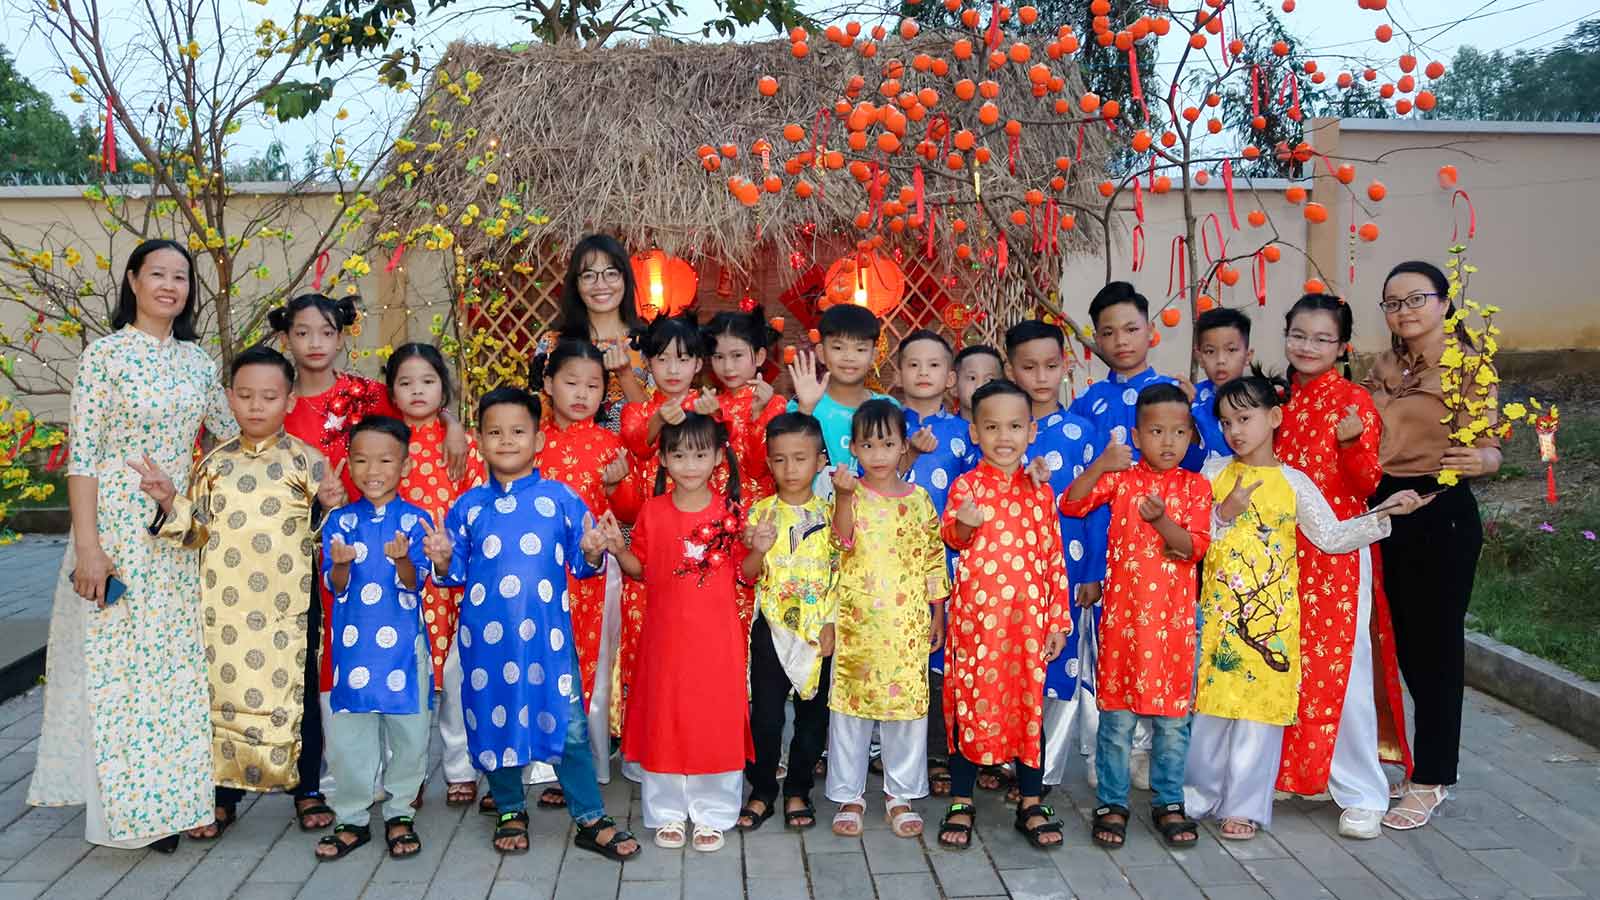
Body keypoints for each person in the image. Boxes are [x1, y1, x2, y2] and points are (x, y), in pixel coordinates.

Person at [31, 240, 238, 851]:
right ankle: (127, 813)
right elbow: (83, 458)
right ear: (133, 280)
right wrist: (89, 548)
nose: (170, 286)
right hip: (116, 530)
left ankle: (176, 802)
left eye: (181, 277)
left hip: (174, 528)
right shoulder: (105, 356)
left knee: (174, 670)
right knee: (120, 669)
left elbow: (232, 437)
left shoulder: (197, 362)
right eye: (158, 274)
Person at [1186, 373, 1429, 840]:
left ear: (1275, 418)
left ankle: (1244, 808)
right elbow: (1194, 538)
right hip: (1221, 616)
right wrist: (1222, 514)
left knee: (1261, 714)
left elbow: (1332, 536)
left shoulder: (1294, 483)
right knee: (1212, 706)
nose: (1235, 430)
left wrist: (1384, 513)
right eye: (1226, 422)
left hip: (1272, 620)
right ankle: (1196, 794)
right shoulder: (1213, 475)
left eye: (1245, 418)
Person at [271, 292, 466, 829]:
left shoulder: (366, 395)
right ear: (285, 337)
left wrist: (452, 421)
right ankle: (326, 781)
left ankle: (399, 780)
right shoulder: (276, 398)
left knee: (394, 659)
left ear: (342, 335)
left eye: (326, 331)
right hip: (303, 544)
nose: (315, 343)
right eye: (302, 332)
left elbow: (419, 401)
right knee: (319, 662)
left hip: (378, 546)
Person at [422, 387, 639, 860]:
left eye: (518, 431)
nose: (506, 440)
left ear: (538, 440)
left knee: (570, 729)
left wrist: (593, 550)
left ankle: (590, 816)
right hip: (486, 644)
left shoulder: (560, 500)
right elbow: (453, 574)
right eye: (495, 432)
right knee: (494, 719)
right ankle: (509, 808)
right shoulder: (468, 507)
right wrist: (440, 560)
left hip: (548, 642)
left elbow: (583, 565)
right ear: (479, 441)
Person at [132, 345, 339, 841]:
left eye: (268, 396)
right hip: (225, 610)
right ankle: (221, 796)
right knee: (221, 699)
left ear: (289, 400)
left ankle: (306, 788)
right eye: (245, 396)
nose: (256, 406)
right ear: (229, 399)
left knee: (298, 696)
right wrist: (169, 500)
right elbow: (195, 533)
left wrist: (327, 506)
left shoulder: (309, 462)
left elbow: (329, 536)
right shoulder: (213, 464)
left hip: (290, 609)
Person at [1366, 260, 1501, 831]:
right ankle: (1418, 765)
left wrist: (1482, 460)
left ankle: (1433, 778)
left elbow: (1490, 446)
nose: (1404, 311)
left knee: (1436, 650)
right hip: (1383, 508)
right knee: (1400, 644)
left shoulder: (1470, 365)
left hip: (1439, 508)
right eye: (1393, 303)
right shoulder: (1382, 366)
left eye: (1416, 298)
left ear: (1444, 302)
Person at [1274, 294, 1413, 840]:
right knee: (1287, 666)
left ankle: (1362, 792)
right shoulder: (1279, 401)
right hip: (1280, 556)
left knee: (1343, 673)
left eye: (1322, 338)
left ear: (1343, 347)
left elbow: (1367, 485)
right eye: (1298, 335)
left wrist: (1352, 442)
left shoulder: (1353, 403)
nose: (1307, 346)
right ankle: (1297, 774)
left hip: (1336, 555)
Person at [1059, 384, 1212, 850]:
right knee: (1117, 721)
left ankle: (1169, 801)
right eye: (1156, 431)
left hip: (1174, 627)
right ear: (1137, 435)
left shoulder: (1196, 486)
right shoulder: (1122, 479)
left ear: (1191, 436)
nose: (1168, 441)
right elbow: (1071, 503)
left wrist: (1161, 521)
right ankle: (1112, 801)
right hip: (1123, 625)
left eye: (1179, 432)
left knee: (1172, 722)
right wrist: (1101, 465)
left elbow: (1194, 547)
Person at [1070, 283, 1203, 791]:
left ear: (1150, 330)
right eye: (1108, 332)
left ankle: (1152, 758)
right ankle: (1107, 754)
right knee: (1111, 660)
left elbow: (1200, 462)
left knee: (1165, 661)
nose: (1121, 340)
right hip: (1112, 563)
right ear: (1095, 340)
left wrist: (1198, 410)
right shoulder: (1088, 404)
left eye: (1131, 328)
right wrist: (1087, 569)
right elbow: (1078, 496)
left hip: (1168, 571)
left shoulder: (1176, 396)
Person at [606, 414, 752, 853]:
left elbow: (747, 574)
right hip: (665, 637)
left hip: (718, 637)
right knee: (665, 717)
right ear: (664, 460)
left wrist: (760, 549)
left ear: (718, 458)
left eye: (700, 454)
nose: (690, 465)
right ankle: (667, 810)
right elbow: (642, 570)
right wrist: (619, 550)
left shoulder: (730, 513)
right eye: (680, 455)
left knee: (714, 716)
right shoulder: (652, 511)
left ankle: (714, 812)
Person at [937, 380, 1072, 851]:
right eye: (992, 427)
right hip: (976, 625)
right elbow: (952, 538)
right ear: (975, 432)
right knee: (970, 703)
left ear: (1031, 431)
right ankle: (961, 799)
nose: (1003, 437)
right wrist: (964, 524)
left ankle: (1031, 801)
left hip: (1028, 625)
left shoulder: (1040, 490)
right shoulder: (967, 487)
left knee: (1027, 706)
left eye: (1014, 426)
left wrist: (1057, 622)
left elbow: (1054, 557)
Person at [526, 340, 644, 806]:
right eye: (571, 383)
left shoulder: (611, 445)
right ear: (548, 383)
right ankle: (532, 759)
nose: (581, 394)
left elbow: (629, 511)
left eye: (593, 386)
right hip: (536, 572)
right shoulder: (531, 440)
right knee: (535, 655)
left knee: (589, 662)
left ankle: (583, 762)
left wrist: (616, 485)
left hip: (593, 573)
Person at [825, 400, 949, 840]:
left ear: (903, 446)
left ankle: (900, 794)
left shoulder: (918, 501)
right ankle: (849, 795)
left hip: (907, 626)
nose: (878, 454)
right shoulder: (848, 494)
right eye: (868, 445)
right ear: (854, 448)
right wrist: (843, 497)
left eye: (887, 444)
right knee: (850, 713)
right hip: (857, 624)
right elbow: (839, 542)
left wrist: (937, 612)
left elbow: (934, 558)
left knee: (906, 712)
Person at [312, 416, 434, 861]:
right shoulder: (339, 521)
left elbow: (415, 582)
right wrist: (342, 565)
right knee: (350, 740)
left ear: (405, 465)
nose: (372, 470)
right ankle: (352, 817)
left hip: (404, 650)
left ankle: (401, 812)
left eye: (385, 460)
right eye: (361, 460)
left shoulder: (417, 520)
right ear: (349, 464)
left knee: (410, 735)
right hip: (353, 651)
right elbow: (335, 585)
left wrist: (402, 560)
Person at [385, 343, 487, 810]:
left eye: (427, 382)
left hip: (453, 578)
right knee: (405, 677)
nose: (417, 391)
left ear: (443, 390)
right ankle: (405, 775)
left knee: (456, 677)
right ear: (392, 392)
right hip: (400, 578)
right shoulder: (385, 444)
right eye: (405, 383)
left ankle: (460, 768)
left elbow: (479, 506)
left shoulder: (460, 446)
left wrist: (453, 425)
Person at [616, 314, 726, 742]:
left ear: (699, 363)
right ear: (648, 363)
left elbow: (735, 452)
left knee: (700, 643)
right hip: (652, 540)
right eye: (662, 359)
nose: (673, 369)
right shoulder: (638, 410)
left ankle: (700, 733)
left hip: (703, 543)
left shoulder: (710, 404)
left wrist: (718, 419)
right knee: (646, 637)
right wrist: (661, 419)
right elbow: (638, 442)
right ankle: (648, 736)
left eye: (683, 359)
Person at [1004, 320, 1101, 797]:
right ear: (1010, 370)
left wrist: (1094, 570)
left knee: (1061, 666)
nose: (1041, 377)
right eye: (1029, 367)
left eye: (1050, 365)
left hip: (1070, 568)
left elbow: (1099, 505)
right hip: (1012, 574)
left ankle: (1044, 771)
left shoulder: (1083, 432)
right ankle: (1009, 758)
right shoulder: (1003, 433)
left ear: (1066, 365)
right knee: (1014, 664)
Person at [738, 413, 836, 832]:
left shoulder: (832, 514)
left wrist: (831, 623)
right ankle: (762, 791)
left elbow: (841, 574)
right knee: (765, 717)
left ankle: (798, 789)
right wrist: (758, 549)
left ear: (820, 461)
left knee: (813, 717)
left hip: (818, 631)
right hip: (771, 629)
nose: (790, 469)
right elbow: (746, 574)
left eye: (800, 458)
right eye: (779, 459)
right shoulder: (760, 513)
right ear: (769, 462)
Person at [896, 330, 973, 796]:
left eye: (934, 365)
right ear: (898, 373)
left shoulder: (965, 433)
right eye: (913, 364)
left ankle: (941, 753)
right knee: (902, 654)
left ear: (950, 378)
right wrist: (908, 451)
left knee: (944, 657)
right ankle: (896, 751)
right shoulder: (886, 425)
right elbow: (866, 481)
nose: (923, 373)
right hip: (893, 563)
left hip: (952, 561)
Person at [539, 233, 651, 428]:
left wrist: (625, 375)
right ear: (576, 284)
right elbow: (541, 419)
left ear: (625, 278)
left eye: (611, 273)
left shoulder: (648, 343)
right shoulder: (552, 344)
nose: (601, 285)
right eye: (589, 275)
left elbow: (654, 424)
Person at [787, 304, 894, 494]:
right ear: (821, 353)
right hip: (816, 511)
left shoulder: (889, 408)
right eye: (838, 347)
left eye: (860, 349)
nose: (849, 357)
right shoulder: (801, 405)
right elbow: (787, 459)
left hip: (875, 511)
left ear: (874, 356)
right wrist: (806, 410)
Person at [703, 308, 789, 503]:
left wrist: (758, 415)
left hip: (760, 510)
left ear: (759, 357)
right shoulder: (709, 404)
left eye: (737, 356)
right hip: (713, 510)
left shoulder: (775, 405)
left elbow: (758, 469)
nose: (728, 367)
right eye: (718, 357)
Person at [1191, 306, 1255, 462]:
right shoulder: (1191, 399)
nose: (1220, 360)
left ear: (1248, 355)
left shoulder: (1259, 399)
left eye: (1231, 350)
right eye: (1210, 351)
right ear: (1199, 358)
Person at [952, 344, 1003, 423]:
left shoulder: (1016, 427)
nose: (980, 386)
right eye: (972, 378)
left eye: (989, 380)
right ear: (954, 386)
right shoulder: (939, 430)